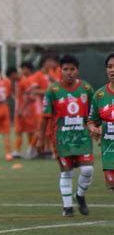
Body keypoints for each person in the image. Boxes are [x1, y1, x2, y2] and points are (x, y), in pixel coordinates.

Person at [37, 55, 94, 217]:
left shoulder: (87, 88)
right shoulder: (53, 90)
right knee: (67, 172)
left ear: (77, 70)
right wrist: (41, 138)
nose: (69, 72)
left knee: (88, 169)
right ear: (60, 71)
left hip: (82, 136)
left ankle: (80, 196)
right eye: (65, 69)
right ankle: (67, 207)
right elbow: (45, 116)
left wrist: (95, 128)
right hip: (62, 139)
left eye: (72, 69)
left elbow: (95, 112)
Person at [88, 53, 114, 191]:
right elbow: (91, 121)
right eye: (110, 67)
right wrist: (94, 129)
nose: (112, 70)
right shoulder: (99, 95)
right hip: (109, 153)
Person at [13, 62, 38, 159]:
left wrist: (21, 109)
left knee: (31, 130)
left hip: (29, 109)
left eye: (23, 69)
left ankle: (29, 150)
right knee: (28, 130)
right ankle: (29, 150)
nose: (22, 71)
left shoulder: (29, 80)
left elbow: (30, 96)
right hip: (26, 108)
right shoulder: (23, 80)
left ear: (28, 69)